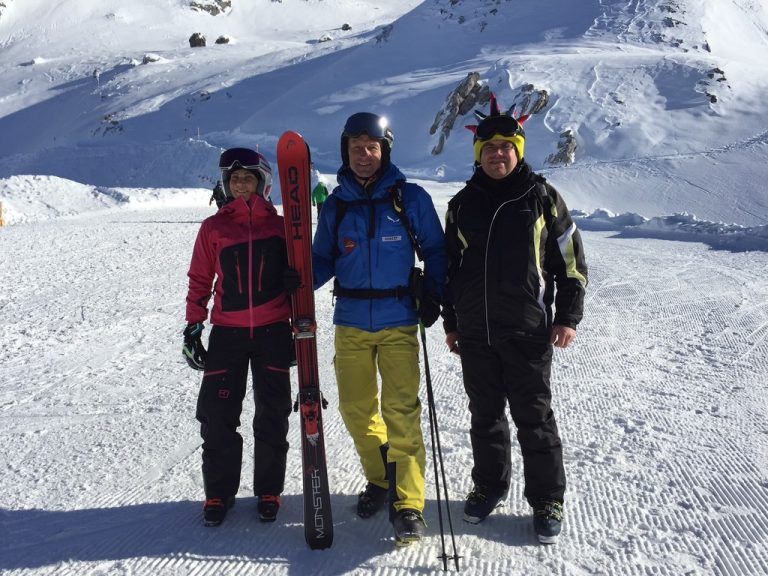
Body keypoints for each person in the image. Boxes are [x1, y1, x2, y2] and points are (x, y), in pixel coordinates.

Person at [441, 96, 588, 544]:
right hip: (476, 332)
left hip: (527, 329)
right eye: (489, 147)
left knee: (534, 417)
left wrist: (567, 317)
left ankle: (546, 498)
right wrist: (451, 322)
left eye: (506, 146)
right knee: (484, 416)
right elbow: (450, 269)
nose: (498, 154)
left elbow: (571, 263)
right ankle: (490, 485)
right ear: (478, 154)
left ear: (518, 151)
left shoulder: (541, 197)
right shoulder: (462, 204)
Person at [312, 112, 446, 546]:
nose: (364, 155)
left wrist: (435, 293)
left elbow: (437, 251)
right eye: (356, 148)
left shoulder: (410, 199)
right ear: (345, 152)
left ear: (385, 149)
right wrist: (289, 280)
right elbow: (321, 261)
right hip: (350, 320)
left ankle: (408, 504)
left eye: (372, 147)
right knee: (355, 410)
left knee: (401, 413)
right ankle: (381, 477)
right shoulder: (336, 205)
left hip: (399, 321)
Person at [182, 147, 301, 527]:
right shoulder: (214, 228)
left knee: (272, 414)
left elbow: (302, 278)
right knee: (217, 418)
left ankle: (269, 490)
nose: (240, 184)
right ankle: (218, 494)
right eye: (234, 179)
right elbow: (200, 280)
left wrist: (299, 321)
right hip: (228, 334)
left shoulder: (282, 228)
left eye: (248, 178)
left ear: (263, 182)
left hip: (273, 331)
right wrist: (193, 325)